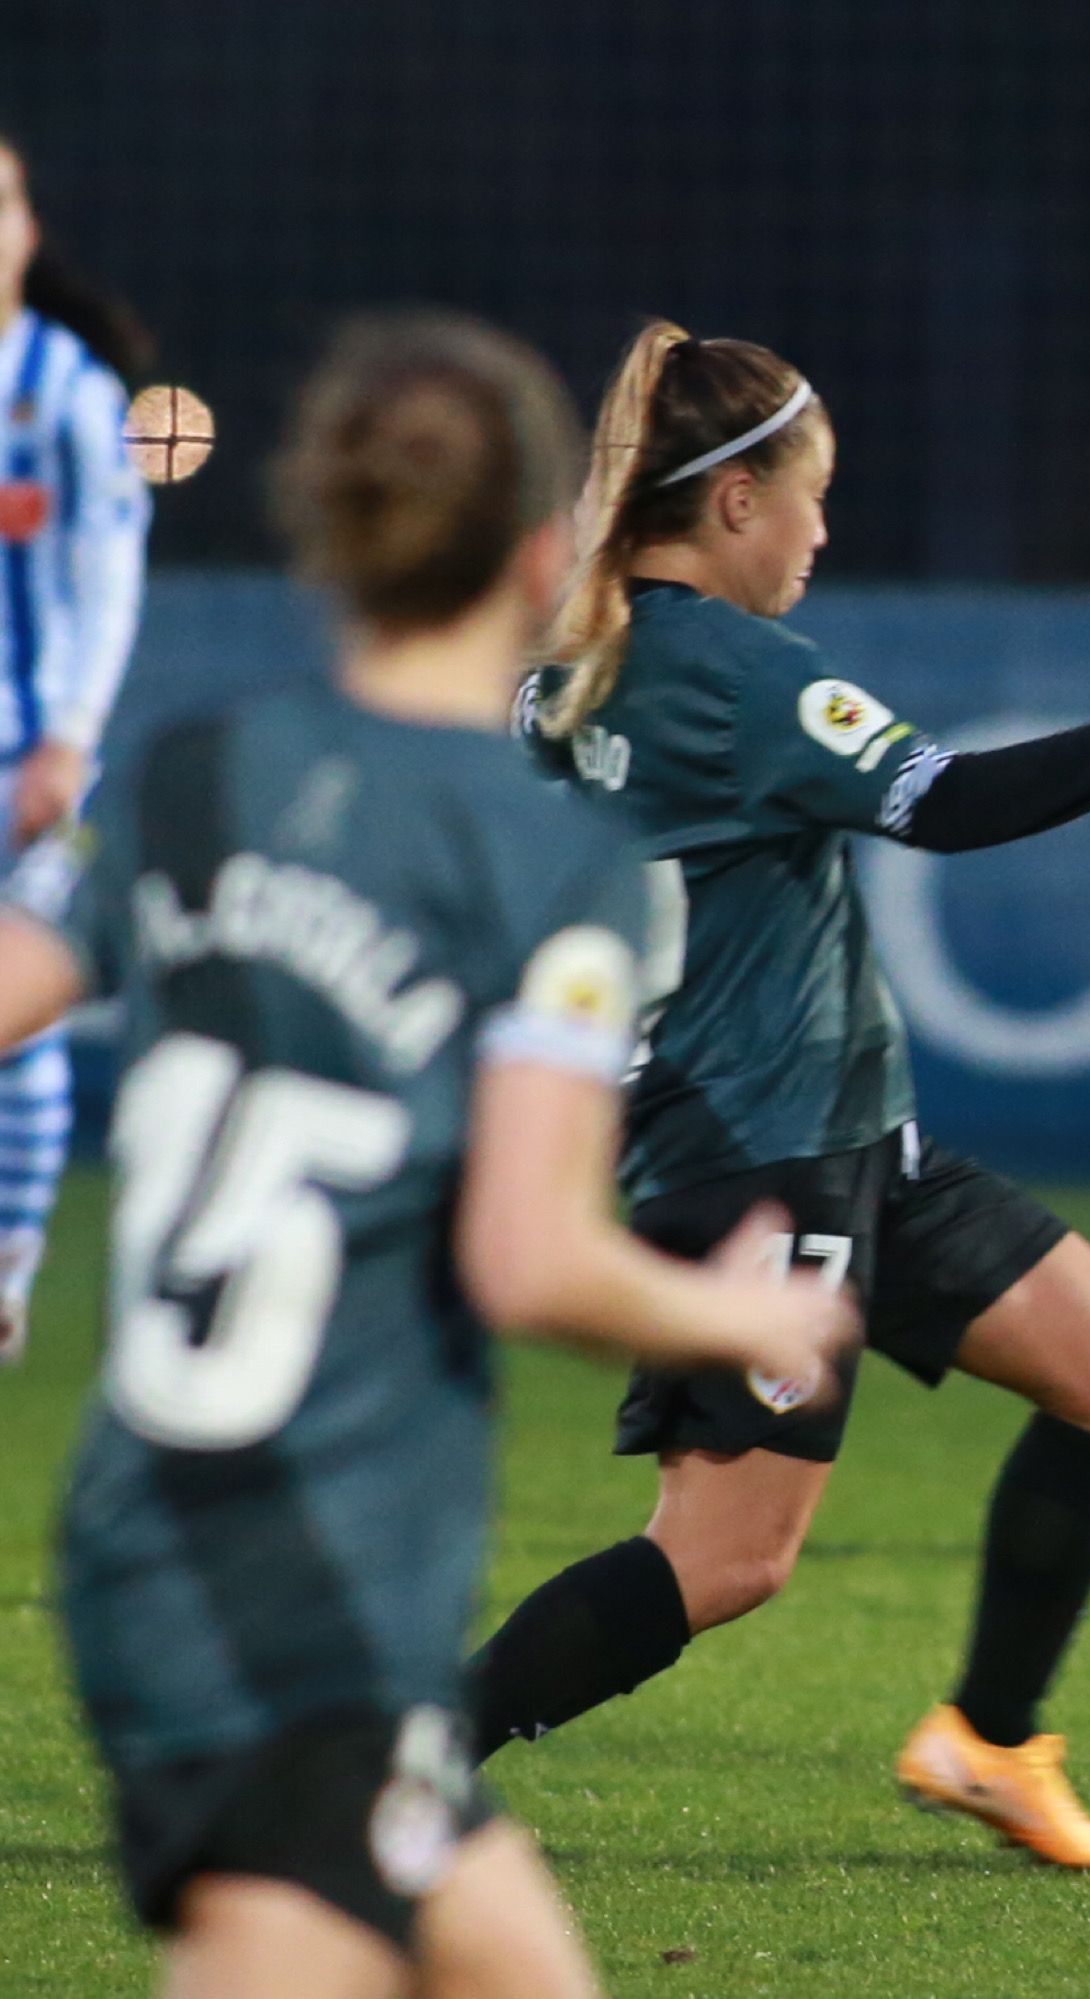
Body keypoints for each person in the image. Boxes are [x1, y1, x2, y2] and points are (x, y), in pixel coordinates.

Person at [0, 313, 853, 1999]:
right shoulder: (546, 855)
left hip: (164, 1527)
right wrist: (740, 1314)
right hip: (297, 1565)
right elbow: (528, 1257)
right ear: (546, 548)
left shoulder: (193, 777)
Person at [464, 321, 1090, 1870]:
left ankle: (988, 1740)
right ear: (737, 499)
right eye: (812, 496)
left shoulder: (565, 674)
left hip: (846, 1141)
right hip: (765, 1165)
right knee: (725, 1558)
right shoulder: (736, 672)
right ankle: (406, 1759)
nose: (824, 532)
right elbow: (950, 803)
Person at [0, 130, 154, 1363]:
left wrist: (70, 740)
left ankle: (9, 1262)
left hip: (23, 762)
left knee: (21, 1011)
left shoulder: (66, 389)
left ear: (29, 226)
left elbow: (107, 579)